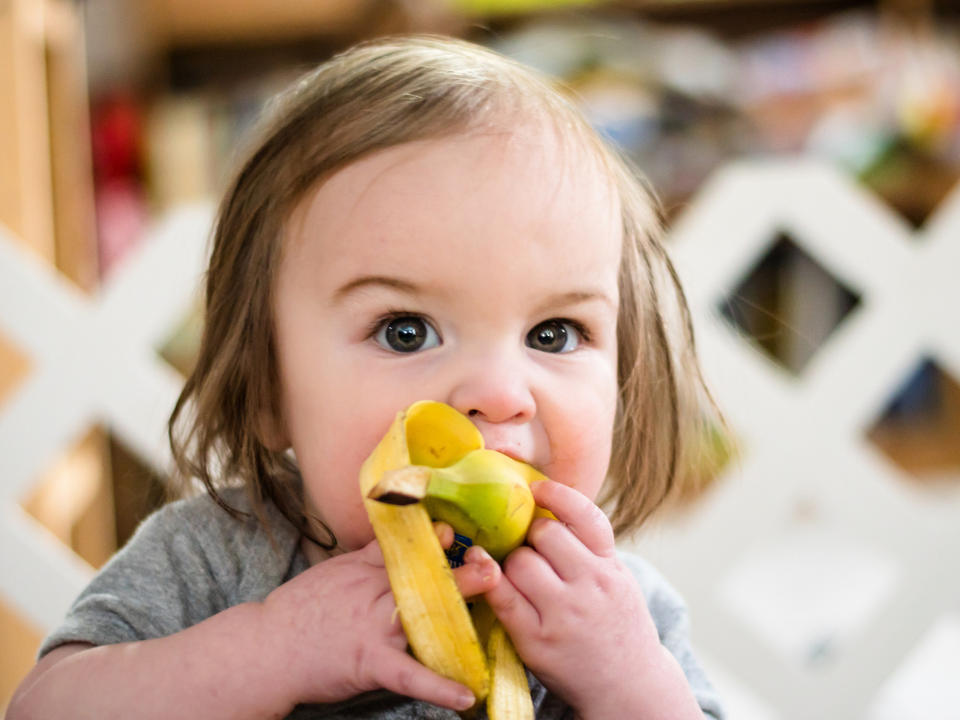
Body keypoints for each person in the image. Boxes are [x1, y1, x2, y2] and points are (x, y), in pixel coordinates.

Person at [9, 36, 725, 720]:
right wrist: (269, 650)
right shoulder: (214, 561)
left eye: (554, 334)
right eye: (404, 331)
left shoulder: (618, 612)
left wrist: (626, 683)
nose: (501, 395)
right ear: (266, 385)